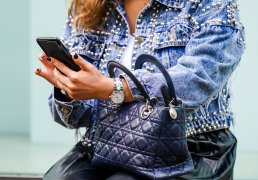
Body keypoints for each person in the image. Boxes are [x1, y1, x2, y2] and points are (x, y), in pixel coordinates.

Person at [35, 0, 245, 179]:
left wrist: (112, 88)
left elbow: (197, 80)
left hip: (190, 148)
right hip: (105, 144)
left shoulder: (208, 4)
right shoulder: (89, 7)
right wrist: (68, 89)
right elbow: (79, 117)